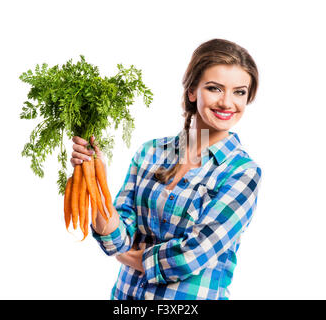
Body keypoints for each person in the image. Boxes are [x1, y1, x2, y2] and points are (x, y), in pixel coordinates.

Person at [70, 38, 262, 300]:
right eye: (215, 88)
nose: (227, 103)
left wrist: (127, 257)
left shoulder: (242, 172)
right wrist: (93, 176)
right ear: (192, 91)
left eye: (239, 91)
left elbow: (191, 256)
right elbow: (117, 236)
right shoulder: (150, 152)